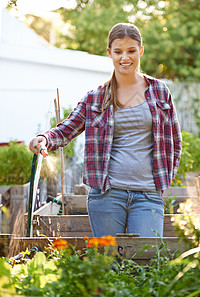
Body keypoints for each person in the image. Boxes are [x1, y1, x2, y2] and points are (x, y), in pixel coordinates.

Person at [29, 23, 182, 238]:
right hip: (107, 195)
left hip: (148, 194)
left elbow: (175, 141)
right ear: (109, 53)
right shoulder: (96, 97)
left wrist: (163, 179)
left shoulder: (159, 91)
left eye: (131, 51)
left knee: (147, 261)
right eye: (118, 52)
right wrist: (44, 138)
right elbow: (67, 129)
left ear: (141, 51)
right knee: (109, 265)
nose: (125, 58)